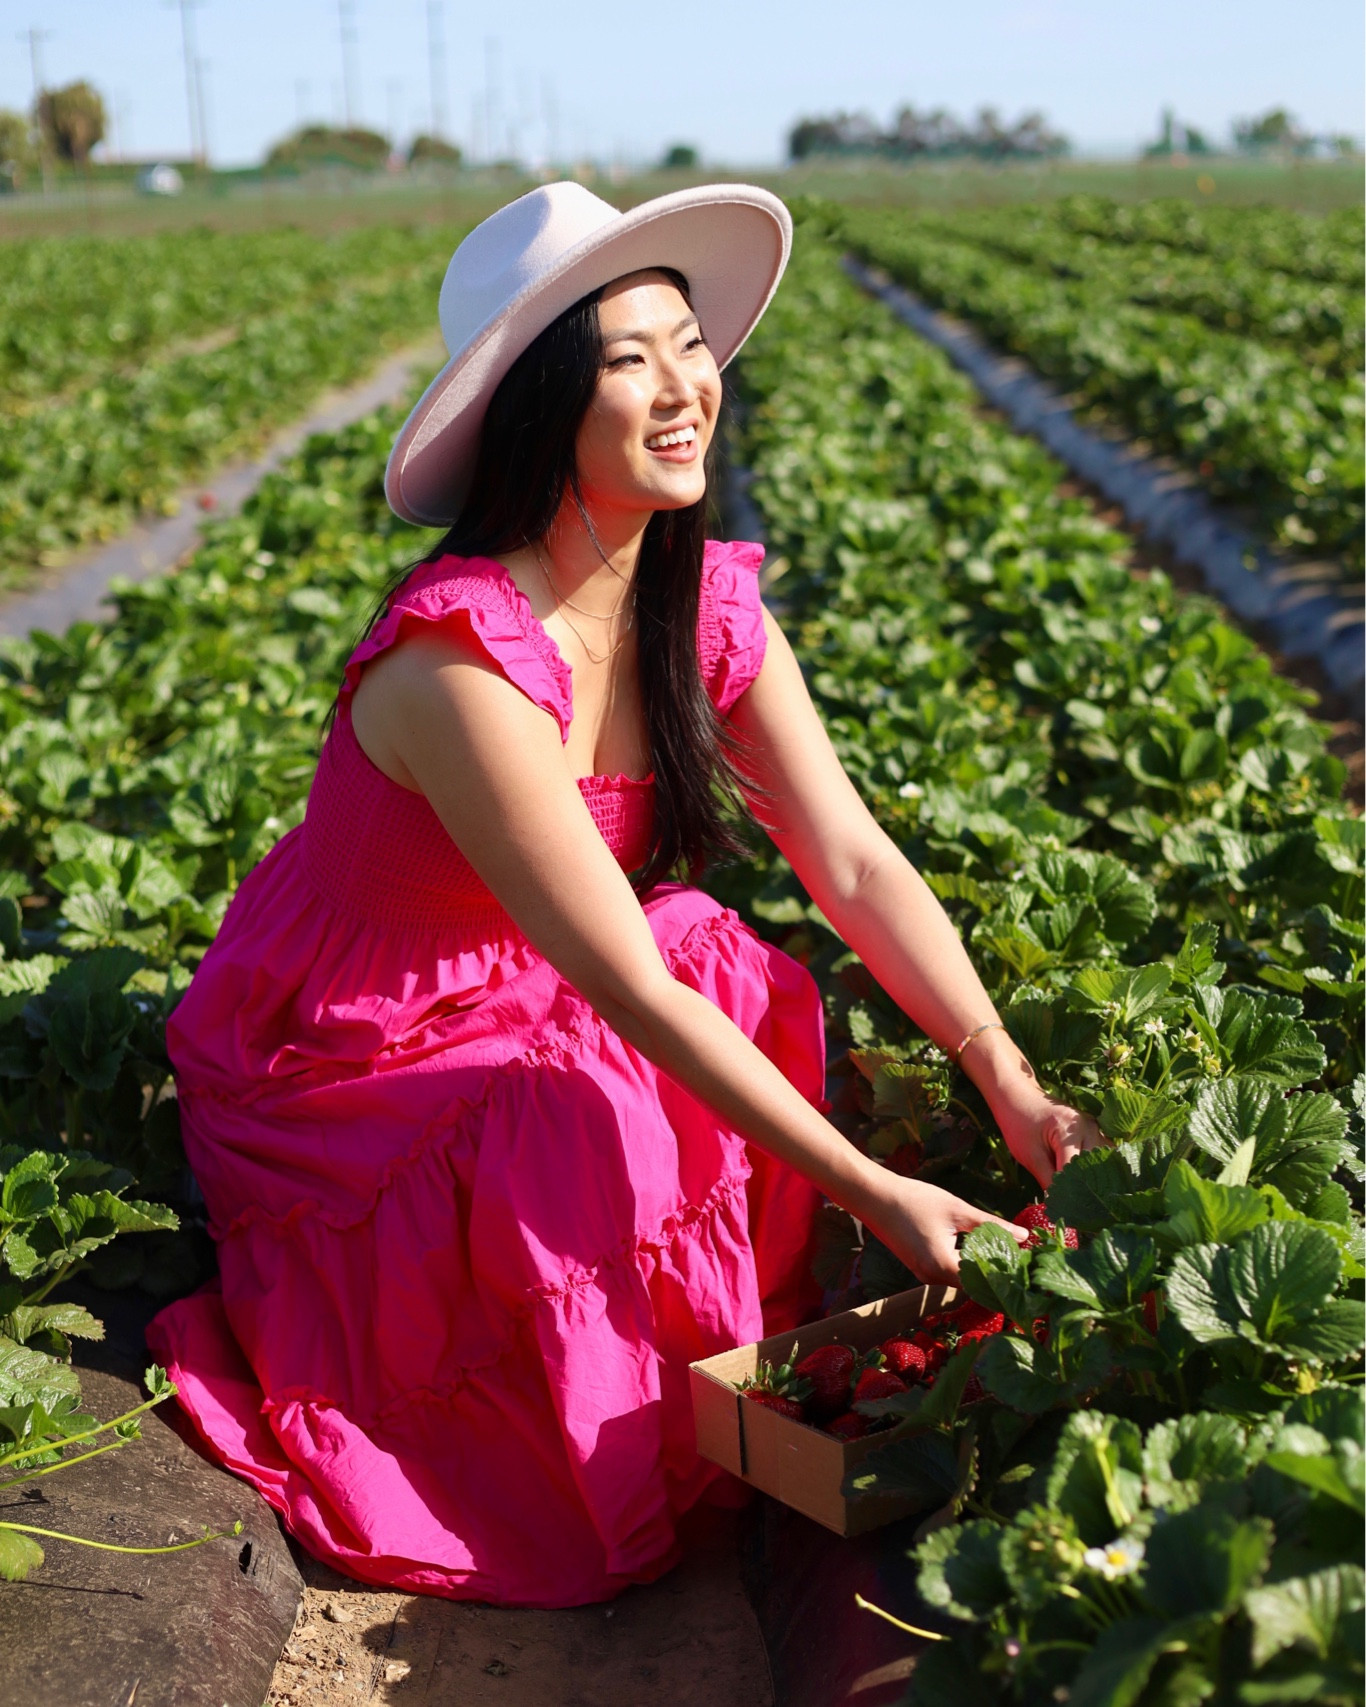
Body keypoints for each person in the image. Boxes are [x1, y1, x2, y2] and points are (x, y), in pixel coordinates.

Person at [148, 182, 1099, 1608]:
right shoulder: (458, 663)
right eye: (626, 360)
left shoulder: (699, 606)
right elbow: (620, 985)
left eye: (687, 343)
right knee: (610, 1059)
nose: (682, 389)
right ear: (537, 407)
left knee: (724, 958)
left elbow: (847, 863)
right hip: (353, 1054)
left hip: (543, 983)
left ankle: (669, 1338)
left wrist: (1010, 1085)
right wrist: (877, 1188)